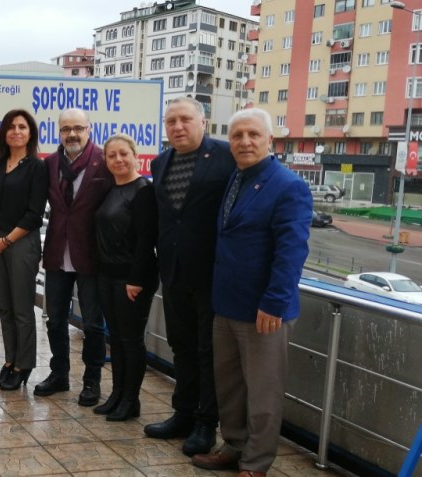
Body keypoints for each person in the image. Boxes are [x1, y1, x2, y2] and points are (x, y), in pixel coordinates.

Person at [191, 109, 311, 477]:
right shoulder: (237, 177)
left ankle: (256, 464)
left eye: (253, 135)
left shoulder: (288, 186)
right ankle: (234, 446)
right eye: (237, 135)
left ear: (269, 140)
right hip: (226, 305)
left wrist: (273, 302)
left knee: (263, 392)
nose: (245, 141)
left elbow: (291, 252)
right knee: (229, 386)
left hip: (264, 311)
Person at [147, 97, 235, 455]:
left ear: (203, 122)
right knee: (180, 345)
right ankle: (182, 413)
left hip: (212, 273)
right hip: (173, 270)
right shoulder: (160, 162)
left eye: (185, 119)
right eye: (171, 121)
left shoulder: (227, 156)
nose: (178, 127)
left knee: (208, 349)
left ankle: (206, 423)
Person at [35, 108, 113, 406]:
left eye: (78, 128)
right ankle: (59, 374)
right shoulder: (50, 163)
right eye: (66, 129)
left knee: (92, 323)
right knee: (55, 319)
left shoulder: (104, 160)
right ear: (59, 132)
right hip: (57, 252)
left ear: (89, 129)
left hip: (91, 255)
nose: (72, 134)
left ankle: (92, 380)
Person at [0, 109, 48, 391]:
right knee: (4, 308)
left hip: (20, 244)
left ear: (30, 133)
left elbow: (34, 215)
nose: (16, 131)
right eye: (11, 126)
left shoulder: (37, 168)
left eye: (22, 127)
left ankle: (23, 365)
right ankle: (9, 361)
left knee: (22, 309)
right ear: (4, 133)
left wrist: (5, 241)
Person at [93, 134, 159, 421]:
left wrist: (136, 279)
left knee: (131, 340)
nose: (118, 160)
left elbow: (146, 241)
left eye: (124, 154)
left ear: (135, 156)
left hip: (132, 280)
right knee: (117, 339)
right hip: (108, 275)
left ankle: (131, 401)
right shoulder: (111, 189)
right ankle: (117, 394)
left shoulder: (143, 191)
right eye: (112, 155)